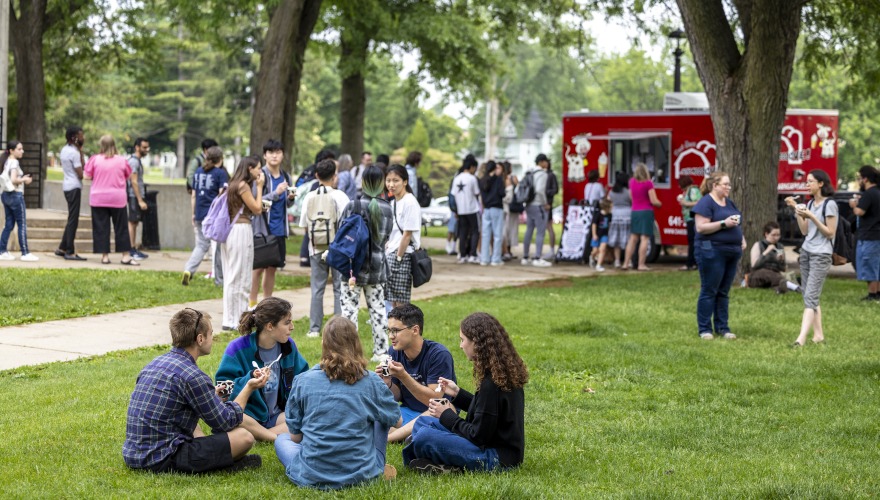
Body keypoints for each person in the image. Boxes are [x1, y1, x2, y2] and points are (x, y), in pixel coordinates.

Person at [122, 308, 268, 474]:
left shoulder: (154, 364)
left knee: (195, 424)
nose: (212, 339)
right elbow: (226, 422)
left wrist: (210, 396)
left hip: (133, 454)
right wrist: (249, 387)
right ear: (200, 339)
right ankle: (221, 466)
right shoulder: (193, 376)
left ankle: (215, 459)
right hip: (161, 459)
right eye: (211, 334)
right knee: (244, 437)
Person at [275, 316, 401, 489]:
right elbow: (397, 421)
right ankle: (369, 464)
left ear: (324, 344)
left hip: (312, 474)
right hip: (363, 475)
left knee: (282, 440)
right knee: (383, 417)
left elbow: (296, 438)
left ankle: (318, 461)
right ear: (356, 344)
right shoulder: (372, 381)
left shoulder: (302, 380)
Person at [403, 312, 528, 474]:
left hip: (497, 458)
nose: (461, 345)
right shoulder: (501, 372)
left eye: (463, 340)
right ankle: (436, 462)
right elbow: (488, 413)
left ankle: (432, 461)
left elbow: (477, 436)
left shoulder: (491, 384)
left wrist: (446, 415)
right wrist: (457, 393)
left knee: (425, 436)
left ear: (476, 343)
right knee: (423, 423)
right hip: (494, 447)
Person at [216, 297, 309, 442]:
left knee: (309, 415)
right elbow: (223, 391)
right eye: (287, 322)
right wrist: (250, 378)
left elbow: (303, 377)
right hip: (249, 416)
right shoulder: (237, 348)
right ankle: (274, 437)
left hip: (276, 415)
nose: (292, 327)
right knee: (232, 415)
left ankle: (262, 434)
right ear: (270, 326)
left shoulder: (288, 346)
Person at [377, 304, 456, 443]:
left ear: (415, 330)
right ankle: (409, 434)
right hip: (406, 413)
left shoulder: (438, 355)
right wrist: (387, 383)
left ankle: (390, 437)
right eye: (389, 330)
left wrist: (403, 376)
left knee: (443, 407)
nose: (390, 336)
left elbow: (434, 400)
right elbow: (397, 396)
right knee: (373, 411)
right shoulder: (394, 351)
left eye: (395, 331)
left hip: (433, 414)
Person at [339, 165, 393, 362]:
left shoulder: (353, 205)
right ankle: (381, 351)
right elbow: (387, 236)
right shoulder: (387, 207)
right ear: (381, 184)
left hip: (352, 268)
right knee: (378, 310)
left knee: (349, 311)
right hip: (377, 268)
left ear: (362, 182)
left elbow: (341, 233)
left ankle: (348, 351)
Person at [785, 170, 837, 346]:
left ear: (821, 184)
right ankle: (818, 335)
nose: (807, 185)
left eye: (810, 182)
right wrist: (798, 211)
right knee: (810, 295)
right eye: (806, 182)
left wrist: (812, 216)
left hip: (821, 254)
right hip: (806, 252)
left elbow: (830, 233)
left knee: (810, 296)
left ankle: (800, 339)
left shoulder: (829, 205)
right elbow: (805, 231)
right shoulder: (810, 203)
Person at [693, 171, 745, 340]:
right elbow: (701, 227)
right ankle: (705, 329)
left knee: (723, 291)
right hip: (711, 251)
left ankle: (723, 327)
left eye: (729, 184)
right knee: (709, 290)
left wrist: (741, 239)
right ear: (714, 186)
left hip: (731, 252)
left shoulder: (729, 202)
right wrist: (724, 223)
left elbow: (735, 223)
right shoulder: (706, 202)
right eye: (725, 184)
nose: (728, 187)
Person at [299, 158, 349, 336]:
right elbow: (347, 223)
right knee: (338, 288)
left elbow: (304, 224)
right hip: (338, 249)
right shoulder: (340, 196)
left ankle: (314, 329)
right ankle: (338, 328)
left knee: (317, 289)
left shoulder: (310, 197)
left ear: (317, 176)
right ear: (334, 176)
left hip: (316, 248)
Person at [222, 156, 265, 331]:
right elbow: (257, 208)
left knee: (233, 275)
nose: (259, 172)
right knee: (239, 276)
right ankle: (234, 319)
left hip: (231, 231)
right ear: (249, 169)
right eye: (258, 168)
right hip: (240, 230)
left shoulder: (232, 184)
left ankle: (234, 317)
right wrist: (260, 187)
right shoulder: (242, 185)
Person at [250, 140, 295, 307]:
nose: (274, 155)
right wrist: (276, 193)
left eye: (278, 152)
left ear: (283, 155)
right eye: (270, 152)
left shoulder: (286, 176)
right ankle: (252, 303)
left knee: (272, 268)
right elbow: (256, 201)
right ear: (264, 155)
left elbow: (288, 205)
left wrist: (290, 198)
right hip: (262, 228)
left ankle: (267, 303)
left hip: (279, 229)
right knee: (258, 268)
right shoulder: (260, 175)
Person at [84, 135, 138, 266]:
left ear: (101, 145)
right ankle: (125, 256)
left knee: (101, 228)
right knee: (121, 227)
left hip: (98, 198)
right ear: (114, 145)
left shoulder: (94, 160)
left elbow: (86, 176)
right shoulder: (122, 161)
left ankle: (105, 256)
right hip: (117, 198)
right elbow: (128, 176)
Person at [182, 145, 228, 286]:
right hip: (214, 215)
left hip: (200, 213)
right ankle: (219, 280)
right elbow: (222, 195)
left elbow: (194, 196)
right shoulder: (220, 173)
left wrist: (193, 214)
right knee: (219, 247)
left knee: (201, 245)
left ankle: (189, 269)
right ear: (220, 159)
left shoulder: (198, 172)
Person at [385, 164, 422, 308]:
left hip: (403, 255)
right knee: (391, 299)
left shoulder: (410, 202)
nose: (391, 184)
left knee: (401, 302)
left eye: (396, 180)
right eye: (388, 180)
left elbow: (407, 234)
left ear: (405, 182)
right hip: (392, 253)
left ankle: (402, 329)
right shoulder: (394, 202)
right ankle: (394, 329)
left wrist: (398, 257)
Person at [0, 141, 38, 261]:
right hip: (16, 196)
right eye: (19, 149)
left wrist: (22, 178)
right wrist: (25, 179)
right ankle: (25, 253)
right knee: (21, 224)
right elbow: (13, 179)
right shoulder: (14, 162)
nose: (22, 151)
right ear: (11, 150)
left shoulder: (6, 161)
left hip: (5, 195)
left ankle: (2, 251)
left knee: (9, 224)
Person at [55, 126, 87, 261]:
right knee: (73, 220)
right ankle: (70, 251)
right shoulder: (74, 153)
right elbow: (81, 173)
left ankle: (62, 248)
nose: (83, 137)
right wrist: (80, 152)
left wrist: (80, 150)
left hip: (67, 186)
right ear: (74, 137)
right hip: (74, 187)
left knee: (71, 219)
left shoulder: (65, 150)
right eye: (81, 135)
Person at [622, 163, 661, 271]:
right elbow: (653, 200)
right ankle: (641, 264)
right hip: (646, 212)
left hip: (634, 211)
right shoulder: (648, 183)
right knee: (645, 238)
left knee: (633, 239)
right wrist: (660, 204)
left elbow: (631, 197)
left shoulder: (631, 182)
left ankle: (625, 263)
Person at [849, 165, 880, 301]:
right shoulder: (878, 192)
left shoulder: (869, 193)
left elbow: (859, 212)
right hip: (877, 235)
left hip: (869, 235)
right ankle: (878, 292)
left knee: (869, 264)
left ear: (865, 179)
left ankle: (872, 295)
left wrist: (854, 205)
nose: (860, 181)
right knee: (877, 265)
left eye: (860, 178)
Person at [748, 221, 801, 294]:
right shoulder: (758, 245)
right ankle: (794, 286)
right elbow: (754, 266)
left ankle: (781, 289)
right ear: (766, 234)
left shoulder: (780, 246)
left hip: (774, 275)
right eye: (773, 235)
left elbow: (783, 269)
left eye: (778, 235)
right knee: (766, 273)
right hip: (758, 275)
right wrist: (766, 252)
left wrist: (781, 260)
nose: (776, 238)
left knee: (775, 276)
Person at [452, 156, 481, 264]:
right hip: (472, 208)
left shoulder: (457, 178)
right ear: (472, 167)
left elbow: (453, 194)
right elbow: (477, 193)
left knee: (463, 232)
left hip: (461, 209)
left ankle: (462, 254)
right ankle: (473, 254)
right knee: (475, 231)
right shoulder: (472, 178)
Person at [126, 138, 151, 261]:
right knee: (132, 222)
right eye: (144, 147)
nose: (147, 150)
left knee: (134, 222)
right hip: (133, 196)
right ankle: (131, 249)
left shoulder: (137, 161)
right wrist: (140, 200)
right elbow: (134, 182)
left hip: (135, 196)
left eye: (147, 147)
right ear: (137, 147)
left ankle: (133, 248)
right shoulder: (134, 162)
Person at [480, 160, 505, 266]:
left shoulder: (482, 180)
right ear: (495, 169)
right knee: (497, 235)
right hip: (497, 208)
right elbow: (502, 193)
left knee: (485, 235)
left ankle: (484, 259)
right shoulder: (498, 180)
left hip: (486, 209)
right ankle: (496, 259)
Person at [607, 172, 632, 268]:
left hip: (615, 215)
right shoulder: (628, 191)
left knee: (617, 240)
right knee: (627, 239)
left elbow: (609, 200)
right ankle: (628, 260)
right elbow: (632, 201)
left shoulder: (612, 192)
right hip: (627, 215)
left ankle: (617, 261)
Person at [677, 175, 702, 270]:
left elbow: (698, 202)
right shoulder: (688, 191)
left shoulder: (693, 190)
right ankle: (694, 263)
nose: (679, 187)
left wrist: (685, 203)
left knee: (692, 241)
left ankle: (689, 264)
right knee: (693, 241)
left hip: (693, 219)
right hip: (690, 219)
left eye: (680, 184)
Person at [501, 161, 520, 261]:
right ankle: (506, 250)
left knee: (506, 229)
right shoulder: (511, 178)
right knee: (509, 230)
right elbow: (519, 190)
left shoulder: (502, 178)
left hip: (507, 207)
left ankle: (506, 250)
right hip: (510, 207)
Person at [590, 199, 612, 272]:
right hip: (596, 235)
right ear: (607, 207)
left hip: (604, 235)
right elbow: (594, 225)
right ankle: (592, 257)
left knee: (602, 249)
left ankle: (598, 265)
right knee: (595, 251)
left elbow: (610, 225)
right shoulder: (598, 214)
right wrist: (594, 234)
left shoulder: (609, 216)